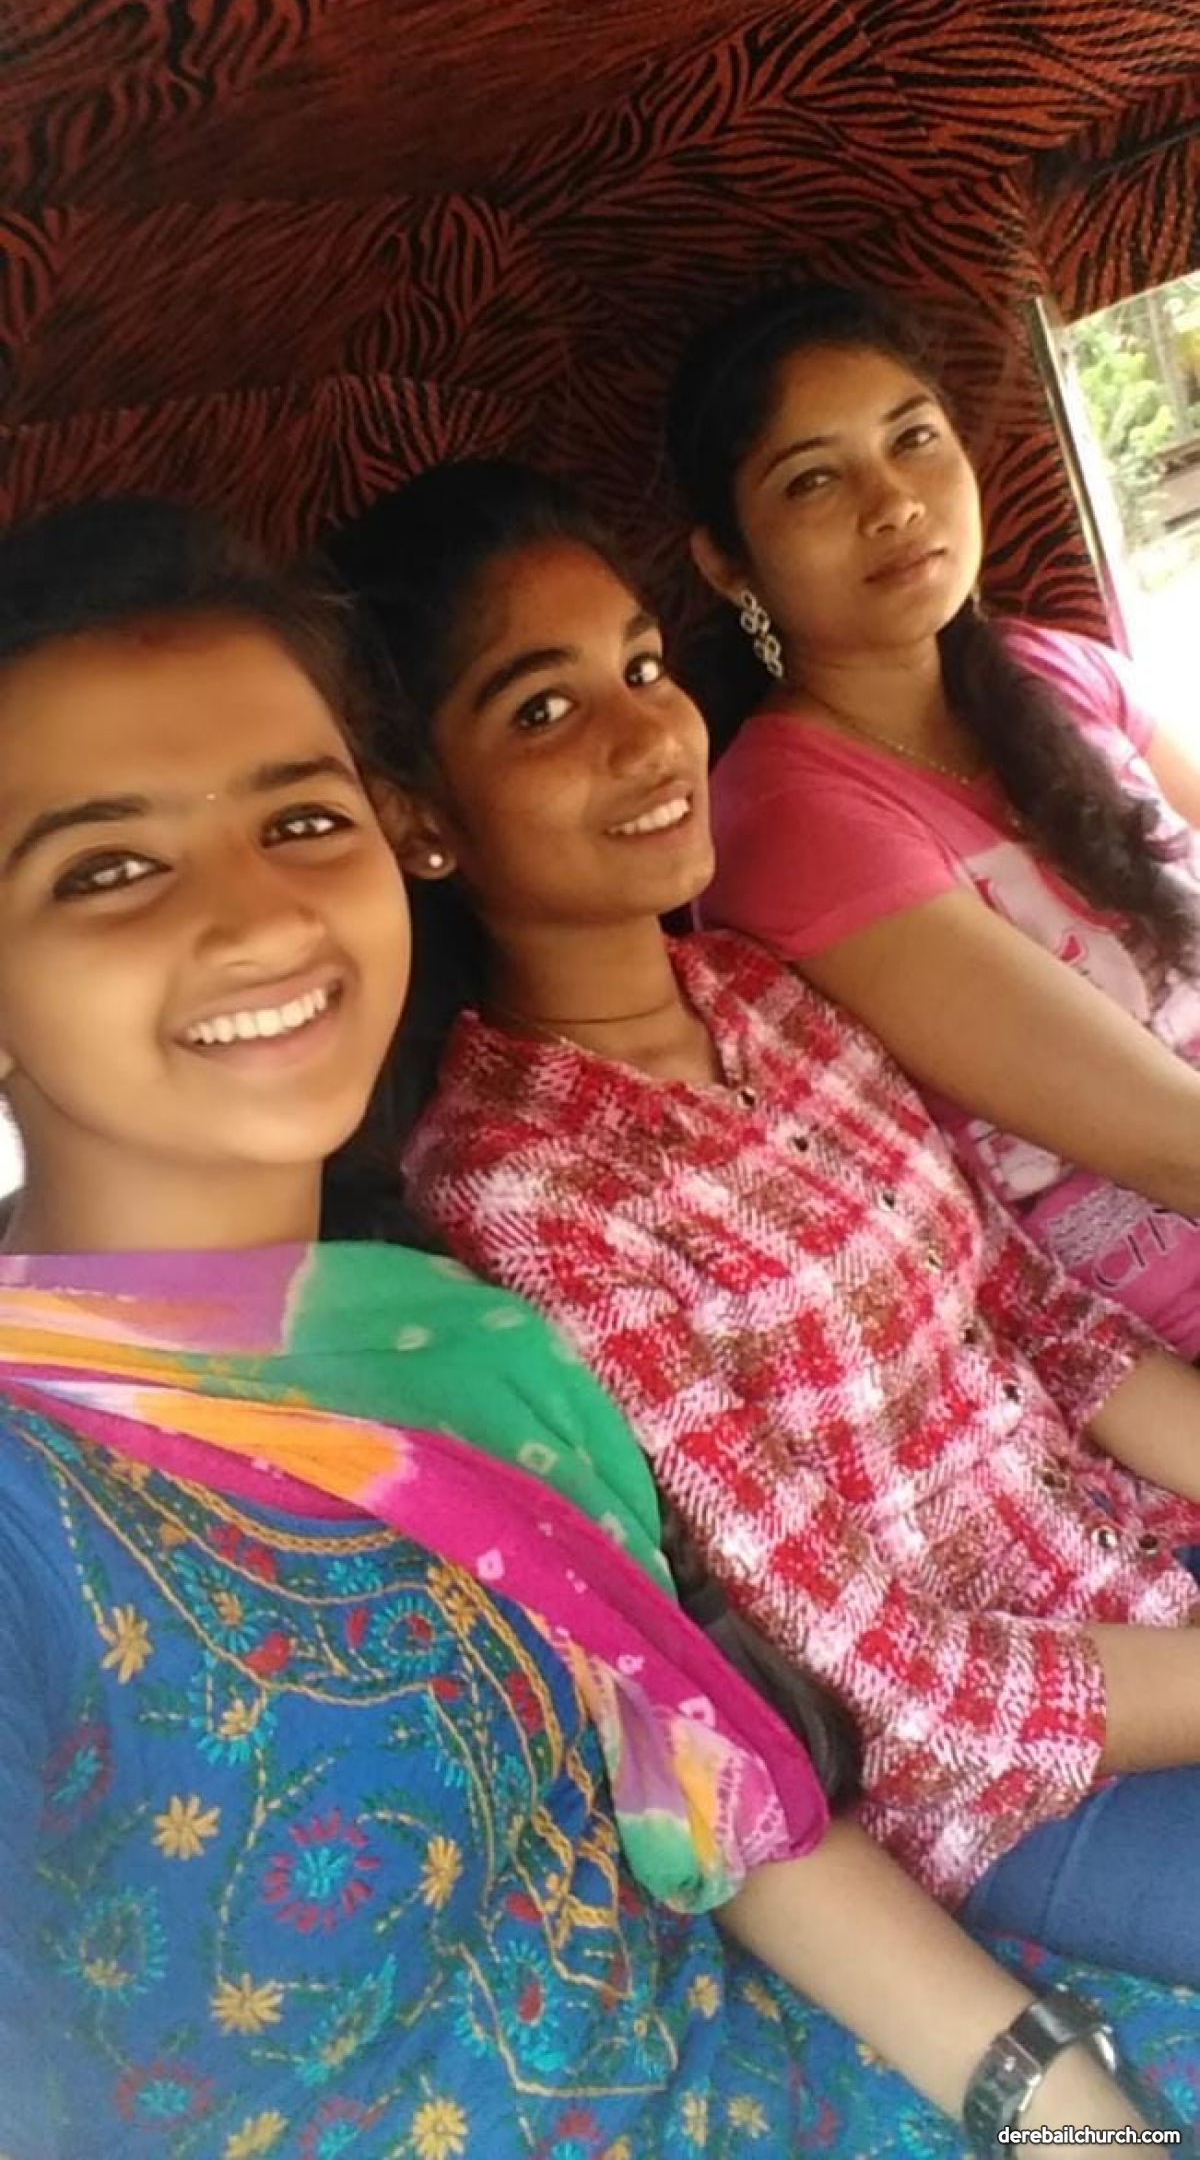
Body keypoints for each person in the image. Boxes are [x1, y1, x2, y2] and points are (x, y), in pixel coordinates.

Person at [0, 502, 1176, 2160]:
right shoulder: (54, 1493)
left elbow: (721, 1791)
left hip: (811, 2036)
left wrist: (1073, 2117)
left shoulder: (460, 1344)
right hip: (987, 1792)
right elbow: (888, 1698)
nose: (260, 919)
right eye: (107, 869)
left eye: (301, 819)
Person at [335, 454, 1200, 1992]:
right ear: (421, 816)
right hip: (1014, 1787)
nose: (644, 734)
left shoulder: (757, 994)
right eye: (543, 709)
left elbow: (1038, 1316)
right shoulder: (516, 1192)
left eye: (642, 669)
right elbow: (893, 1681)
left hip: (1140, 1569)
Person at [663, 278, 1200, 1357]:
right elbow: (1175, 1148)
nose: (894, 501)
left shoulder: (1058, 671)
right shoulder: (787, 819)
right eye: (814, 478)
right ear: (729, 562)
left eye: (913, 438)